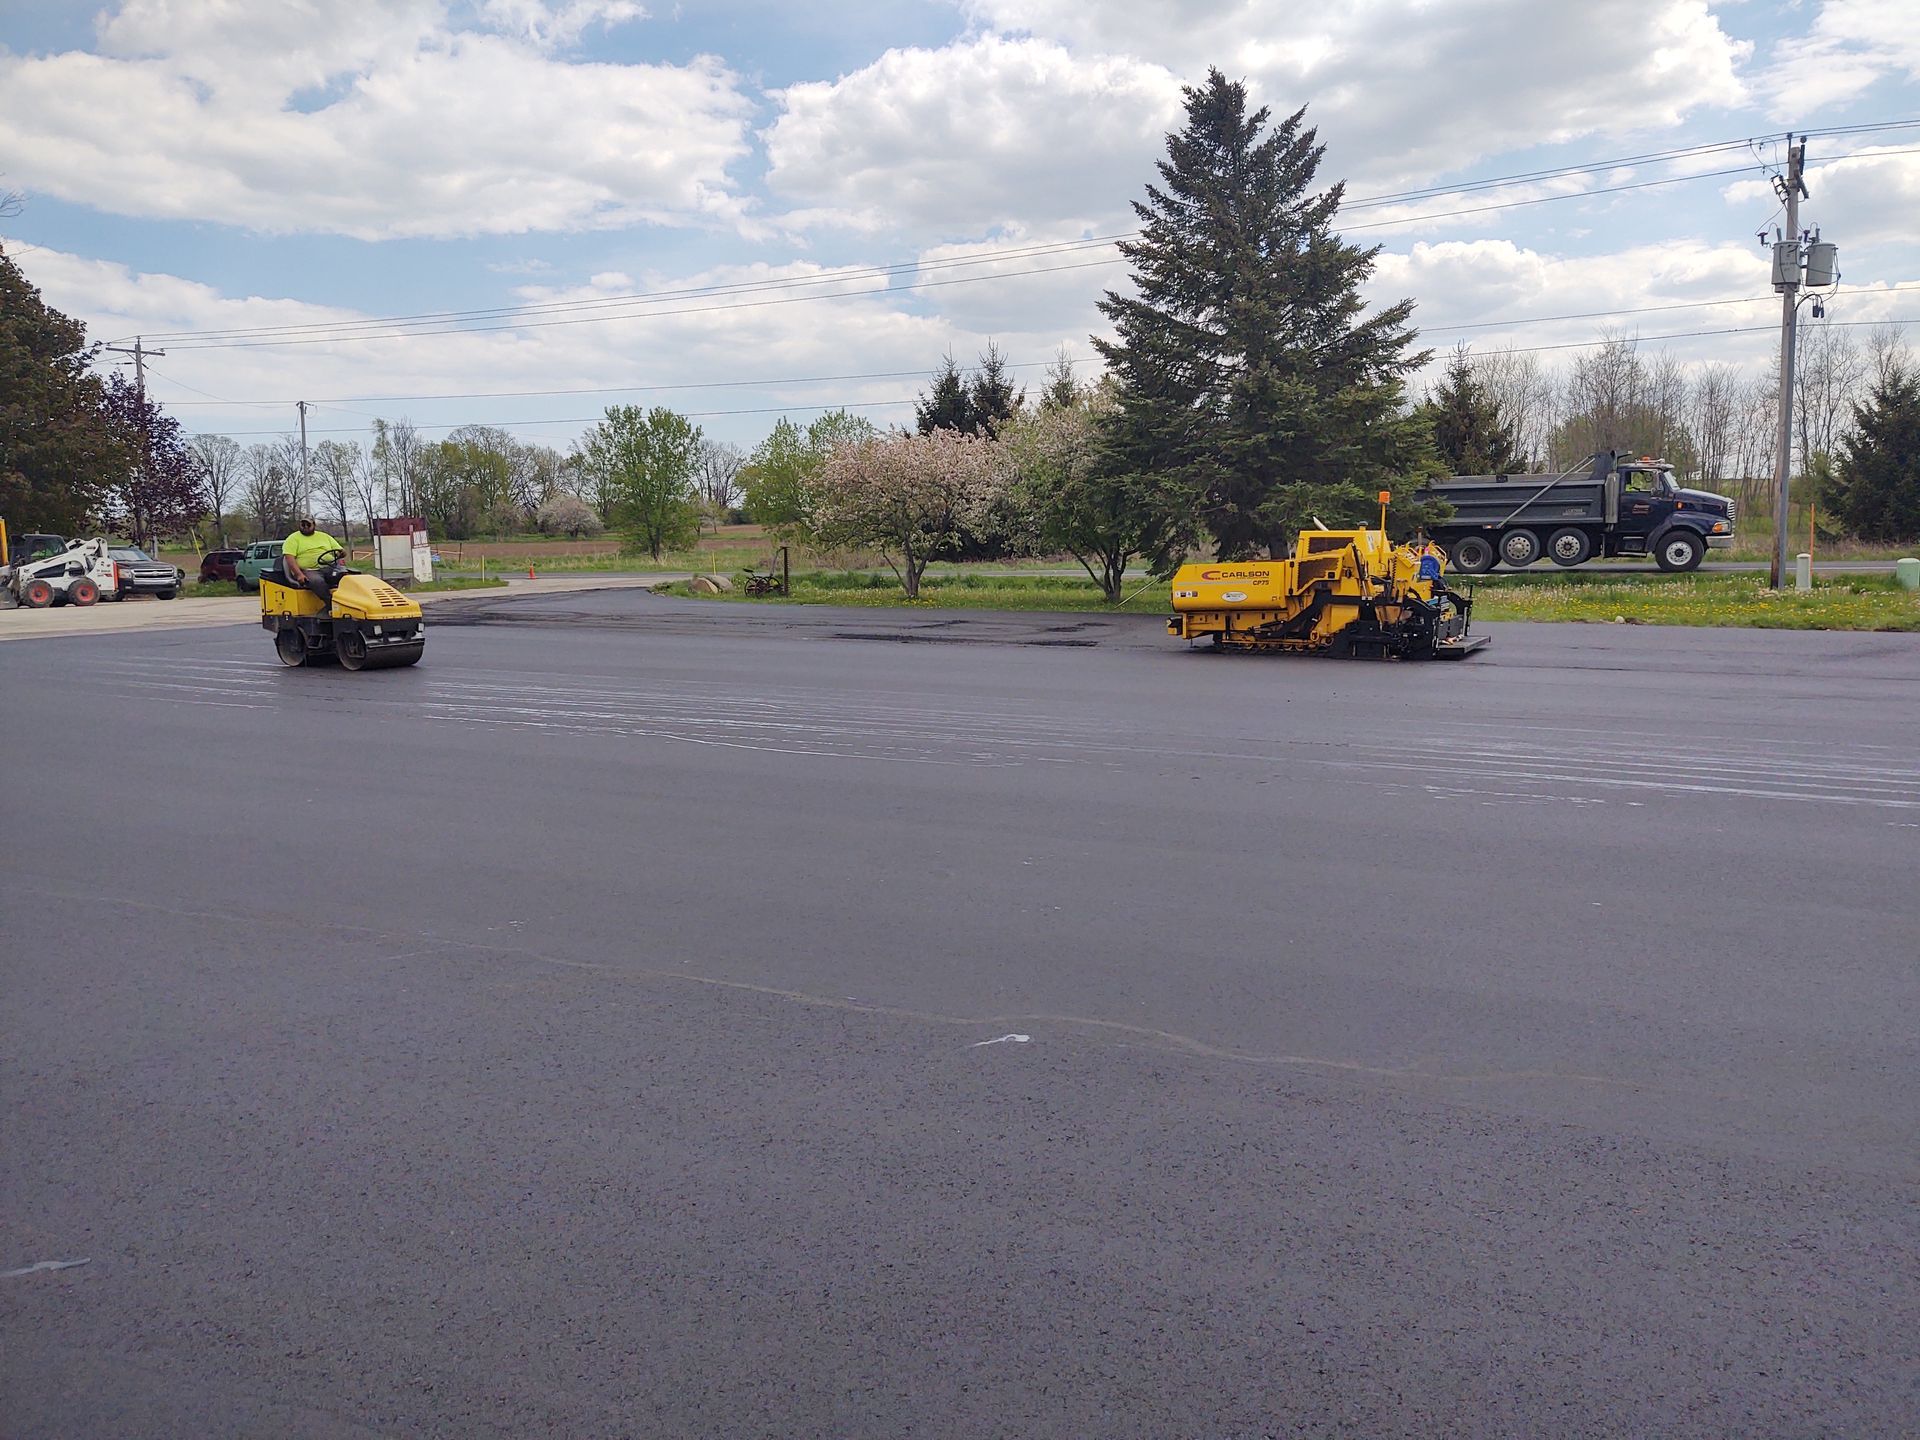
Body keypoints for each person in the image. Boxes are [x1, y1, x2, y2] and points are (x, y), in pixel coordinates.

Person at [282, 516, 343, 612]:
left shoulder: (324, 536)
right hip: (309, 570)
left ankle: (352, 603)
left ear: (314, 525)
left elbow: (340, 551)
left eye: (308, 524)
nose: (305, 526)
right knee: (317, 581)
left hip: (329, 566)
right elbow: (289, 558)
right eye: (303, 524)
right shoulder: (293, 539)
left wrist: (340, 553)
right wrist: (299, 574)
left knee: (348, 577)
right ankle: (331, 605)